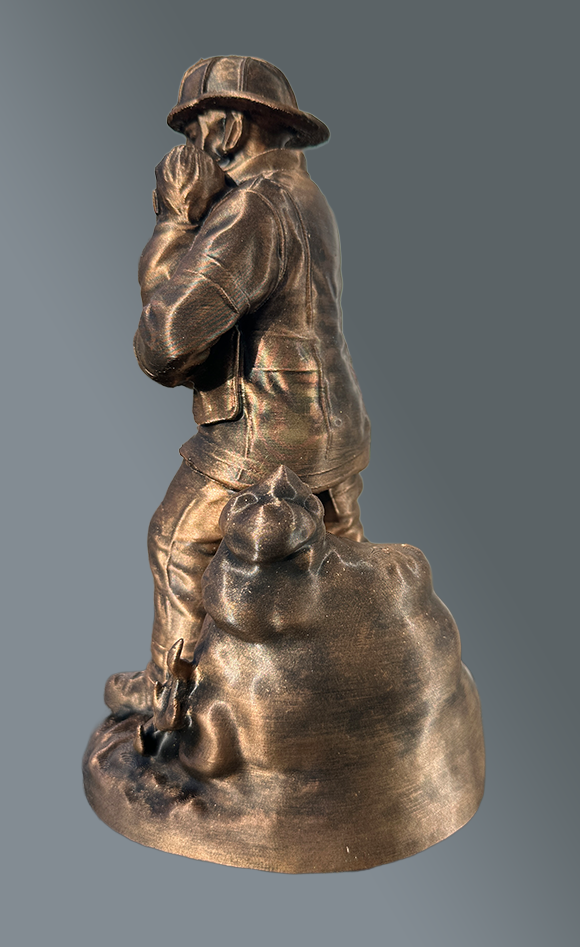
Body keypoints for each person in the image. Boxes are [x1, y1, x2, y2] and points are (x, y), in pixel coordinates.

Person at [105, 56, 371, 716]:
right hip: (335, 429)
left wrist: (175, 221)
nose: (188, 149)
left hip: (266, 433)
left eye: (194, 130)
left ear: (227, 127)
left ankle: (172, 699)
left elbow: (164, 343)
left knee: (176, 540)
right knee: (338, 566)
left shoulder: (250, 208)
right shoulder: (306, 195)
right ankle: (354, 694)